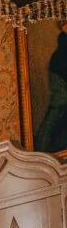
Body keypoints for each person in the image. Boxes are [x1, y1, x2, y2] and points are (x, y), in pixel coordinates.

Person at [35, 22, 67, 154]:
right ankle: (42, 147)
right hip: (60, 73)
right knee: (59, 104)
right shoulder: (63, 43)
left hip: (61, 72)